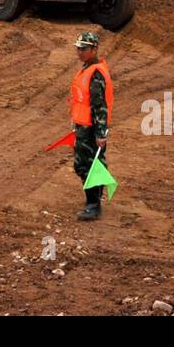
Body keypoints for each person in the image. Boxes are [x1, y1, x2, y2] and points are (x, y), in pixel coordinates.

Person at [68, 31, 113, 221]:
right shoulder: (88, 68)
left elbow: (99, 105)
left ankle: (94, 206)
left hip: (91, 129)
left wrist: (100, 133)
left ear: (94, 49)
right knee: (83, 165)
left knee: (89, 166)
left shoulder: (95, 74)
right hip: (83, 126)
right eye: (78, 48)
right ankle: (92, 201)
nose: (79, 52)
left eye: (83, 49)